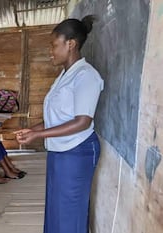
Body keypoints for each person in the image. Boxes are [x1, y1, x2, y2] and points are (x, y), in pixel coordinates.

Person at [14, 15, 103, 233]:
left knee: (69, 212)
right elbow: (56, 117)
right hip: (60, 150)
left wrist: (38, 136)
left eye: (54, 45)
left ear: (70, 44)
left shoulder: (86, 76)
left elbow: (82, 122)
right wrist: (32, 130)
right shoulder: (65, 75)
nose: (51, 51)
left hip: (77, 151)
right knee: (56, 209)